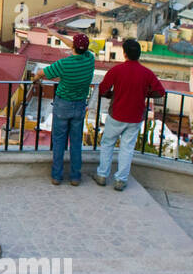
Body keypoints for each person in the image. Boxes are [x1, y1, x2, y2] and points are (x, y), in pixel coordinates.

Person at [94, 38, 166, 192]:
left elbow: (102, 90)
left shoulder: (117, 70)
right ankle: (121, 180)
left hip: (117, 114)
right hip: (135, 116)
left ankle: (102, 175)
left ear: (124, 53)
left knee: (107, 144)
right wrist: (145, 93)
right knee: (127, 148)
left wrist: (112, 95)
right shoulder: (146, 73)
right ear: (139, 55)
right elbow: (160, 92)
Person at [33, 32, 95, 186]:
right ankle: (75, 177)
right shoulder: (90, 59)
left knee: (59, 141)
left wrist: (34, 79)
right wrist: (57, 35)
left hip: (63, 105)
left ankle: (57, 176)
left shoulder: (65, 64)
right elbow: (75, 46)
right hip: (80, 104)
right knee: (75, 142)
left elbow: (42, 72)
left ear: (73, 46)